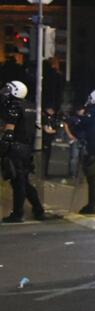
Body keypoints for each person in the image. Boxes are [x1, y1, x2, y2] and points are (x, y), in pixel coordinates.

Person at [0, 81, 48, 223]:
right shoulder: (30, 106)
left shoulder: (14, 106)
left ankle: (18, 214)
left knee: (18, 183)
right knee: (24, 182)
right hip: (27, 148)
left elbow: (10, 131)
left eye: (8, 89)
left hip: (15, 149)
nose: (5, 92)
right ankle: (38, 210)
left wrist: (3, 149)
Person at [41, 106, 59, 178]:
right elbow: (47, 130)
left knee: (46, 158)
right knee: (45, 158)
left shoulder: (51, 118)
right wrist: (55, 131)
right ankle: (43, 173)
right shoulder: (45, 118)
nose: (52, 112)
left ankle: (45, 173)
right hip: (45, 140)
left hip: (48, 140)